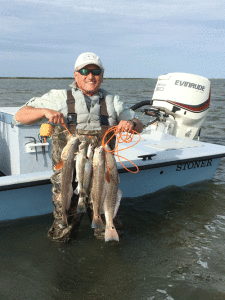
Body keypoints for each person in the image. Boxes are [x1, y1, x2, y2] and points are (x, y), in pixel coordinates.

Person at [14, 52, 143, 242]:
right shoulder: (58, 97)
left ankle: (109, 248)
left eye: (95, 71)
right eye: (84, 71)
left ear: (102, 75)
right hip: (69, 178)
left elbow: (139, 126)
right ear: (76, 75)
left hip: (104, 177)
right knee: (63, 230)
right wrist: (44, 111)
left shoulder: (113, 101)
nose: (90, 76)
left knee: (109, 223)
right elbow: (20, 115)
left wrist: (131, 124)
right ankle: (62, 261)